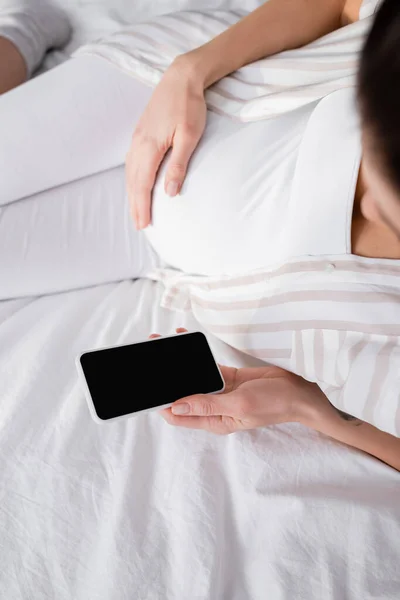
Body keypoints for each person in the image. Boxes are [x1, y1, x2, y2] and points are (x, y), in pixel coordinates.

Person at [0, 0, 399, 471]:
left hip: (148, 243)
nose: (367, 204)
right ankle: (22, 31)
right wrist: (191, 70)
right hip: (174, 97)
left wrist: (309, 407)